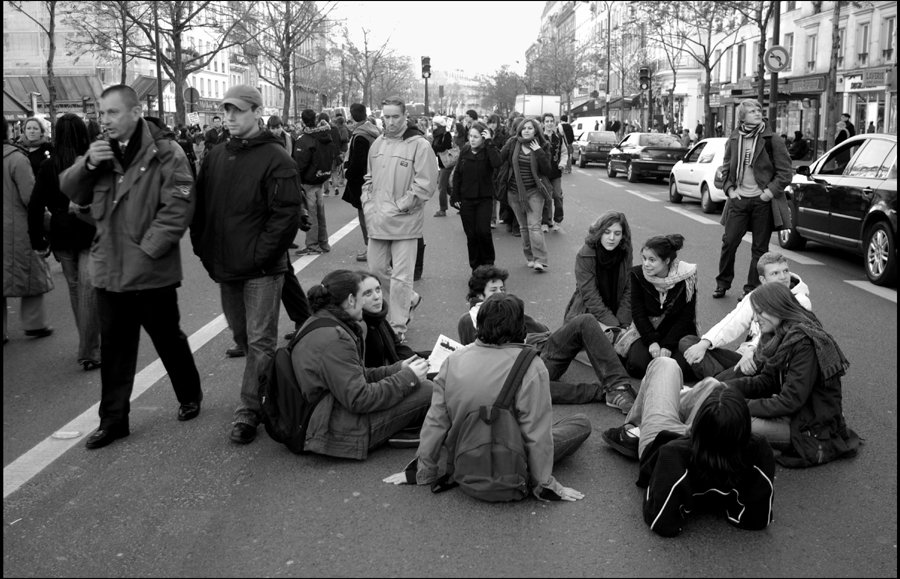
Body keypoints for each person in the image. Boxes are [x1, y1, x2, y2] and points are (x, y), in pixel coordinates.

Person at [60, 85, 202, 449]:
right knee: (116, 350)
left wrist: (147, 251)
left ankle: (189, 395)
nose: (104, 120)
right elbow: (71, 191)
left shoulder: (166, 152)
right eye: (101, 113)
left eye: (112, 112)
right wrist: (89, 162)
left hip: (151, 272)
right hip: (109, 270)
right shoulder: (101, 153)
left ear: (135, 112)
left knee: (168, 339)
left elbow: (178, 210)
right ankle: (113, 421)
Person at [384, 292, 591, 501]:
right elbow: (536, 433)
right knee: (580, 423)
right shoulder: (531, 366)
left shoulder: (453, 360)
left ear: (480, 324)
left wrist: (422, 471)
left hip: (464, 457)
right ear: (520, 326)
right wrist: (546, 485)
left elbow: (436, 422)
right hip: (512, 463)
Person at [190, 84, 302, 445]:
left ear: (256, 111)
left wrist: (261, 256)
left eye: (238, 110)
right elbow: (200, 206)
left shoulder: (277, 159)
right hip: (225, 265)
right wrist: (203, 249)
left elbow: (285, 216)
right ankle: (273, 383)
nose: (231, 116)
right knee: (243, 336)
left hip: (262, 269)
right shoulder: (217, 155)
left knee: (260, 340)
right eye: (227, 110)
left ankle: (249, 411)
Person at [601, 367, 776, 537]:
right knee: (715, 386)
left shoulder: (673, 456)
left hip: (662, 440)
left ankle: (633, 430)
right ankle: (681, 399)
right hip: (702, 437)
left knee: (665, 365)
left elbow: (662, 522)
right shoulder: (758, 449)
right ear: (745, 428)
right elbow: (756, 519)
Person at [291, 270, 433, 458]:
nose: (370, 301)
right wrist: (408, 378)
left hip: (325, 410)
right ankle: (408, 432)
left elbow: (354, 374)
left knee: (416, 383)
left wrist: (397, 369)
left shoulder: (319, 321)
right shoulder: (336, 339)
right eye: (363, 296)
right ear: (351, 299)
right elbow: (360, 399)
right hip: (334, 429)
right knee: (428, 389)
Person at [458, 265, 635, 410]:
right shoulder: (468, 320)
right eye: (494, 290)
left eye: (502, 289)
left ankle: (617, 385)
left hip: (542, 353)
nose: (501, 293)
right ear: (480, 295)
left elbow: (544, 330)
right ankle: (603, 393)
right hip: (518, 373)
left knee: (585, 321)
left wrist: (519, 315)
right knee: (528, 388)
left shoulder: (507, 307)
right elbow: (481, 367)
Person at [725, 282, 860, 468]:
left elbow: (790, 401)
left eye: (760, 312)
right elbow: (766, 380)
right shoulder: (777, 337)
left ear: (777, 308)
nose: (755, 319)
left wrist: (739, 405)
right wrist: (729, 388)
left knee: (730, 421)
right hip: (793, 415)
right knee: (720, 403)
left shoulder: (804, 343)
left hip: (808, 426)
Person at [27, 113, 100, 368]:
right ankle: (90, 348)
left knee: (75, 289)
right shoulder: (89, 160)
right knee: (89, 290)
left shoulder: (49, 165)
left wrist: (38, 240)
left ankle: (88, 343)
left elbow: (35, 205)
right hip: (89, 228)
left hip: (61, 232)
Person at [362, 96, 437, 341]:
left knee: (402, 276)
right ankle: (410, 300)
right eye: (387, 116)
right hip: (379, 219)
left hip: (404, 220)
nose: (391, 121)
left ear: (405, 116)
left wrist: (401, 206)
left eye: (396, 116)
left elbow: (425, 185)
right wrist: (368, 201)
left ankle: (397, 328)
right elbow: (369, 178)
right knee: (375, 269)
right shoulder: (378, 144)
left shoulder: (420, 145)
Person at [680, 252, 811, 381]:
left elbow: (775, 338)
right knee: (688, 342)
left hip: (764, 361)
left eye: (786, 271)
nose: (783, 277)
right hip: (742, 358)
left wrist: (752, 349)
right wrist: (705, 343)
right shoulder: (756, 296)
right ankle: (722, 382)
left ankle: (718, 383)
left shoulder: (799, 301)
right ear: (763, 280)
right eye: (775, 273)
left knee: (759, 357)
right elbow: (732, 322)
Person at [713, 99, 793, 301]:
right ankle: (722, 283)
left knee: (759, 247)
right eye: (751, 111)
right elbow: (726, 167)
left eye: (758, 110)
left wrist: (768, 193)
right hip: (738, 200)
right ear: (742, 117)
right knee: (729, 242)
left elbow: (785, 173)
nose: (757, 113)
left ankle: (751, 289)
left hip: (762, 202)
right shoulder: (734, 138)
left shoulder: (772, 139)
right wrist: (730, 189)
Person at [4, 116, 54, 344]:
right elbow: (31, 198)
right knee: (32, 275)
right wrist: (48, 225)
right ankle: (34, 324)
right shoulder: (16, 159)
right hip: (17, 229)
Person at [622, 235, 698, 381]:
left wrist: (668, 345)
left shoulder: (687, 276)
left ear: (667, 261)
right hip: (649, 330)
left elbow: (686, 317)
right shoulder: (637, 275)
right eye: (644, 258)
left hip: (677, 333)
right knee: (636, 366)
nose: (646, 264)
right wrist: (652, 341)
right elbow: (638, 313)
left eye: (652, 260)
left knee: (681, 368)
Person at [496, 118, 552, 273]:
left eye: (530, 128)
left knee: (534, 226)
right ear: (519, 130)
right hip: (514, 192)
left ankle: (540, 260)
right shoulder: (513, 143)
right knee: (524, 227)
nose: (526, 131)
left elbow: (548, 170)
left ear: (536, 131)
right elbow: (499, 159)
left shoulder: (543, 145)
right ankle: (530, 257)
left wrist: (539, 151)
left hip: (535, 191)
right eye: (524, 128)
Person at [564, 211, 633, 332]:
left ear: (623, 236)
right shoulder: (585, 254)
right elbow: (590, 295)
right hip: (588, 311)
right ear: (599, 233)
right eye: (607, 232)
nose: (611, 238)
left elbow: (628, 286)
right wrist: (614, 324)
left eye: (617, 233)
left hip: (618, 308)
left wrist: (624, 320)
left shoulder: (625, 250)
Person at [450, 121, 501, 270]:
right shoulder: (465, 150)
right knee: (471, 235)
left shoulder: (489, 150)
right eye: (470, 136)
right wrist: (455, 196)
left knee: (483, 232)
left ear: (483, 138)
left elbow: (497, 163)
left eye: (476, 137)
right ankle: (476, 267)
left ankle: (489, 264)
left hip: (484, 198)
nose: (472, 139)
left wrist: (490, 142)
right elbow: (458, 174)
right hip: (466, 198)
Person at [357, 272, 429, 369]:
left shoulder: (378, 319)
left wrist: (420, 360)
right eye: (368, 293)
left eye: (378, 290)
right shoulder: (360, 327)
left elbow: (396, 347)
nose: (377, 297)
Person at [342, 103, 381, 262]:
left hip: (362, 181)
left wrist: (347, 172)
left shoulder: (359, 135)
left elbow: (358, 163)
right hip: (375, 176)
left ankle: (371, 249)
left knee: (365, 217)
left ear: (351, 116)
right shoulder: (374, 130)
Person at [293, 109, 333, 255]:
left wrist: (297, 179)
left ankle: (312, 245)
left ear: (303, 121)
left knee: (311, 214)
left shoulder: (305, 139)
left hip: (308, 180)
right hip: (321, 177)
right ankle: (323, 242)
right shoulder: (324, 135)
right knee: (320, 212)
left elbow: (299, 163)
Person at [541, 113, 568, 232]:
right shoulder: (539, 138)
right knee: (546, 196)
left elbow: (564, 153)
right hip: (544, 173)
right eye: (547, 121)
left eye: (551, 121)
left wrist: (562, 164)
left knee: (557, 196)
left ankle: (558, 220)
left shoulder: (559, 137)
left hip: (556, 172)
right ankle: (545, 221)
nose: (549, 123)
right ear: (543, 123)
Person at [431, 115, 454, 218]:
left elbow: (445, 146)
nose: (433, 126)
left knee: (441, 187)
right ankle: (461, 202)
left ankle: (442, 209)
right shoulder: (436, 135)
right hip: (440, 163)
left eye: (435, 124)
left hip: (447, 163)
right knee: (448, 187)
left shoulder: (446, 134)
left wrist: (436, 148)